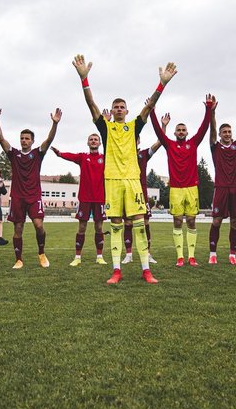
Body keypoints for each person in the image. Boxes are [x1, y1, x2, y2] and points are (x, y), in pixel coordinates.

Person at [73, 54, 176, 284]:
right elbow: (91, 105)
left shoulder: (134, 126)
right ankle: (117, 270)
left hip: (132, 180)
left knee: (139, 225)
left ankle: (146, 270)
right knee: (117, 227)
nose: (119, 109)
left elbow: (149, 106)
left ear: (127, 111)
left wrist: (162, 84)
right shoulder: (106, 129)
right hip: (112, 180)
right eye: (115, 107)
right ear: (112, 110)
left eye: (122, 107)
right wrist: (84, 80)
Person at [149, 95, 214, 267]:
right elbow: (157, 130)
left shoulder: (193, 143)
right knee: (177, 221)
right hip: (176, 189)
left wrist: (208, 109)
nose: (181, 132)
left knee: (191, 221)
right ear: (174, 133)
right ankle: (180, 257)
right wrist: (152, 111)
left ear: (187, 133)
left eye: (183, 130)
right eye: (178, 130)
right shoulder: (169, 145)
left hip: (192, 188)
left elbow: (204, 128)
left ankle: (191, 257)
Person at [0, 108, 61, 268]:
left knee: (39, 226)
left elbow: (49, 140)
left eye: (27, 138)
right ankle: (18, 259)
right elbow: (1, 139)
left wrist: (54, 124)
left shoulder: (38, 154)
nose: (24, 140)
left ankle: (41, 253)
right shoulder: (14, 154)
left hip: (34, 197)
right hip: (17, 198)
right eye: (22, 138)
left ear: (32, 141)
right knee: (18, 228)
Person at [54, 133, 108, 267]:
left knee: (99, 227)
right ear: (88, 143)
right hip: (84, 198)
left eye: (96, 140)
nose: (93, 141)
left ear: (100, 143)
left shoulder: (105, 158)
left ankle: (99, 256)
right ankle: (77, 257)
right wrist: (60, 154)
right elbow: (70, 156)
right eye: (91, 139)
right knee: (82, 227)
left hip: (100, 199)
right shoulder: (83, 157)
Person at [207, 105, 236, 266]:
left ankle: (232, 254)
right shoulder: (215, 147)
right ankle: (213, 254)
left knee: (235, 222)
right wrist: (213, 112)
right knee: (216, 221)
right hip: (221, 188)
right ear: (221, 135)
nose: (227, 134)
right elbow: (213, 130)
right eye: (225, 132)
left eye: (230, 132)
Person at [123, 130, 162, 265]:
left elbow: (159, 142)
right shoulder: (122, 154)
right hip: (126, 193)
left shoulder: (144, 154)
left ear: (138, 141)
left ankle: (148, 253)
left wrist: (163, 126)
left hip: (142, 194)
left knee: (145, 224)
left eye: (135, 139)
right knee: (127, 224)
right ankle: (129, 254)